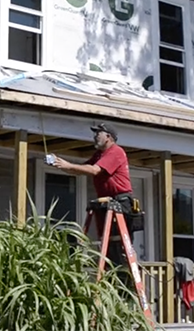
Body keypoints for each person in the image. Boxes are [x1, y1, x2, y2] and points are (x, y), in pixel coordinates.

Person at [51, 122, 136, 287]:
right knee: (107, 245)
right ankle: (112, 284)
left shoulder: (116, 152)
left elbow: (95, 170)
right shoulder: (99, 154)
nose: (95, 136)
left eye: (99, 133)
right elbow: (84, 168)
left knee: (120, 248)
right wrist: (61, 165)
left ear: (109, 137)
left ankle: (126, 288)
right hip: (107, 204)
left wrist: (68, 165)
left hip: (120, 202)